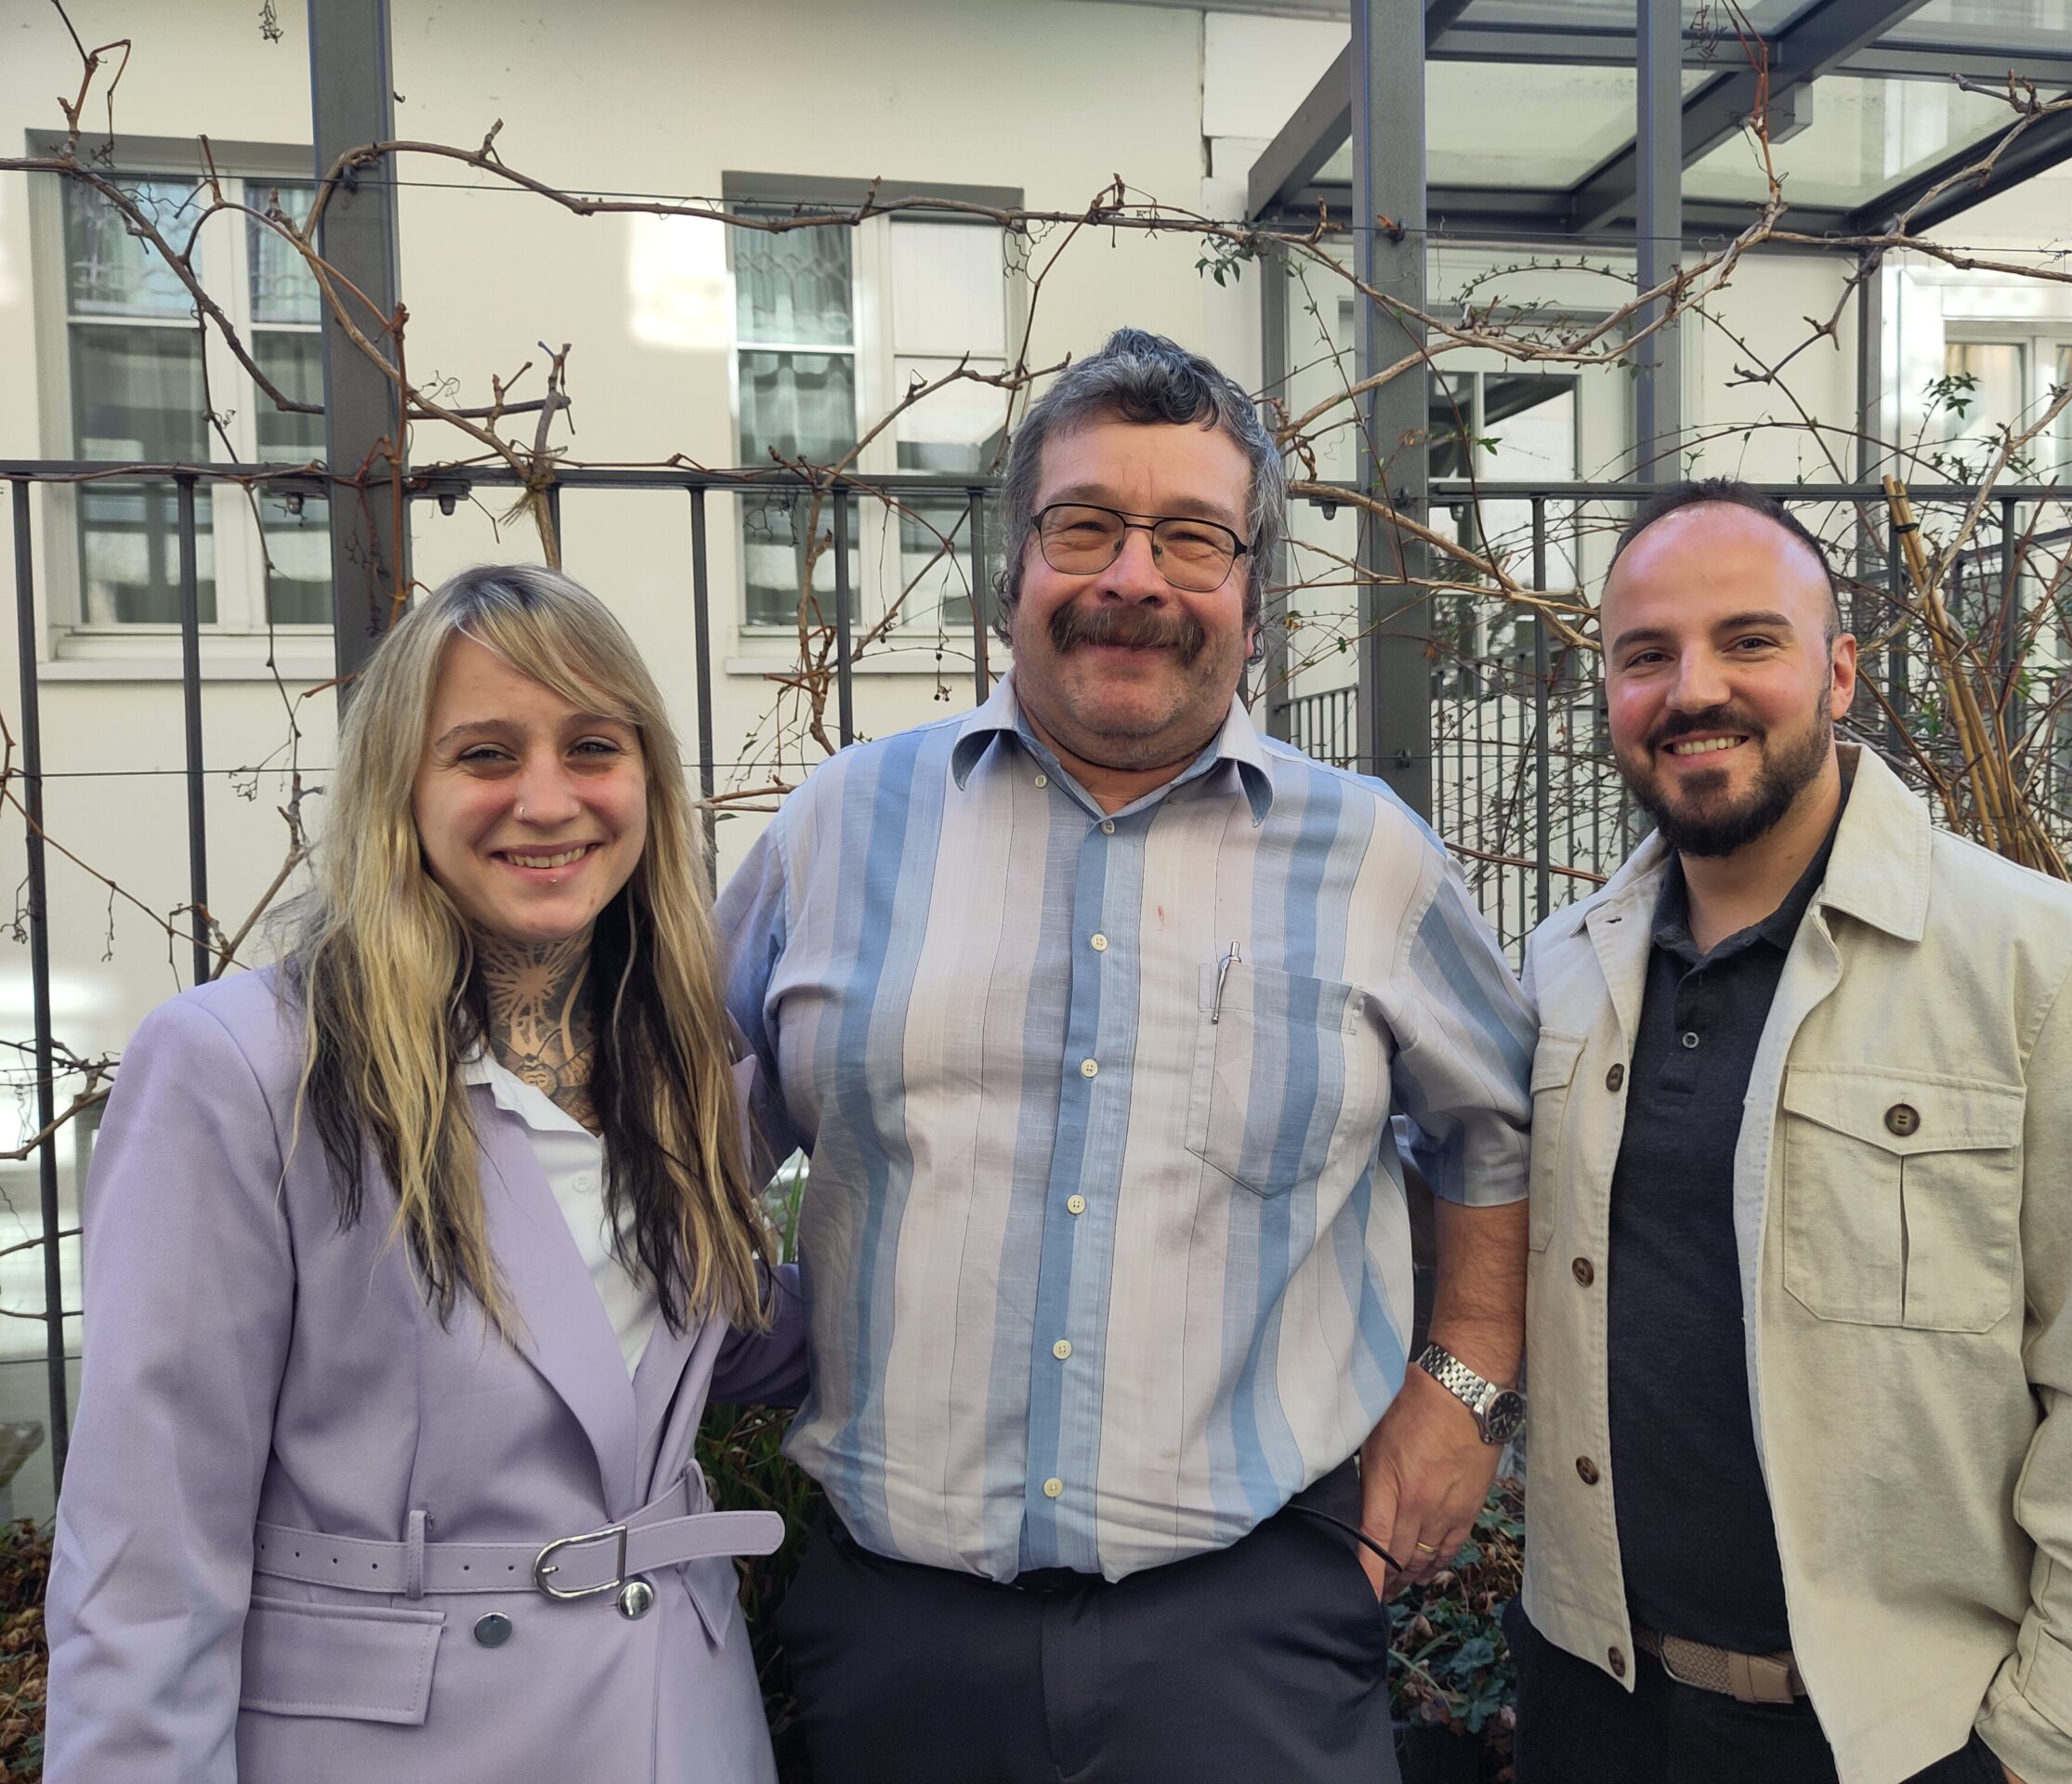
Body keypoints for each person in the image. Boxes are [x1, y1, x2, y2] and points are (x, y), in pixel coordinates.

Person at [717, 328, 1536, 1783]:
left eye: (1192, 539)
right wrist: (752, 1338)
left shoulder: (1373, 861)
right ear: (1012, 572)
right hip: (897, 1642)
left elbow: (1495, 1130)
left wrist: (1464, 1388)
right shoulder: (836, 831)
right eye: (1084, 526)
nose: (1134, 579)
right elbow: (678, 1144)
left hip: (1255, 1631)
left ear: (1254, 599)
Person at [1509, 480, 2072, 1784]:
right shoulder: (1558, 974)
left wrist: (2051, 1747)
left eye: (1749, 641)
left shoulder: (2044, 966)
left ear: (1839, 672)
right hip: (1590, 1704)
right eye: (1646, 654)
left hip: (1901, 1741)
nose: (1694, 689)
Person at [46, 565, 810, 1784]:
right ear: (399, 784)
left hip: (686, 1725)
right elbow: (148, 1551)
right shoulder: (244, 1067)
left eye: (593, 747)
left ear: (648, 783)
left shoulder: (680, 1060)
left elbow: (689, 1353)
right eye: (486, 754)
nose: (548, 800)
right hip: (398, 1744)